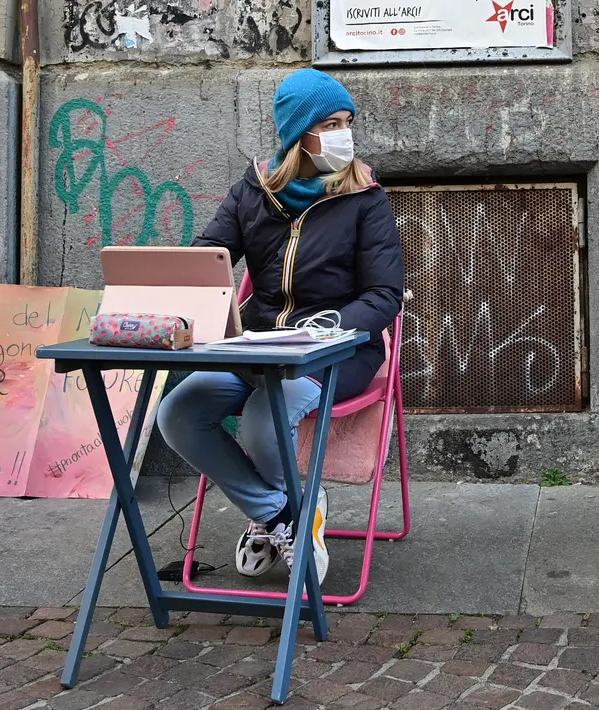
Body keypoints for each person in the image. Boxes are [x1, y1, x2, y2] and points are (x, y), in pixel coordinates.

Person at [157, 68, 404, 586]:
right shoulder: (252, 191)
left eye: (347, 123)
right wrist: (187, 289)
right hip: (258, 345)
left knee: (263, 418)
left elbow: (384, 295)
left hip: (338, 350)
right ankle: (283, 513)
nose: (345, 135)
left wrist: (330, 327)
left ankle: (276, 516)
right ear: (298, 134)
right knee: (179, 412)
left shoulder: (365, 197)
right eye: (331, 124)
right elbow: (209, 259)